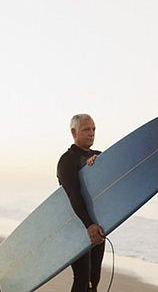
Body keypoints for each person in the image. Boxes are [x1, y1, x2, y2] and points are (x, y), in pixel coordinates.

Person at [57, 114, 106, 292]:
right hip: (78, 227)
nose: (92, 133)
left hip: (98, 224)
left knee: (95, 277)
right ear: (73, 132)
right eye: (86, 129)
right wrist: (88, 225)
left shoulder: (99, 157)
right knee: (83, 277)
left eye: (93, 129)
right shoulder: (67, 160)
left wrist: (97, 168)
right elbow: (73, 195)